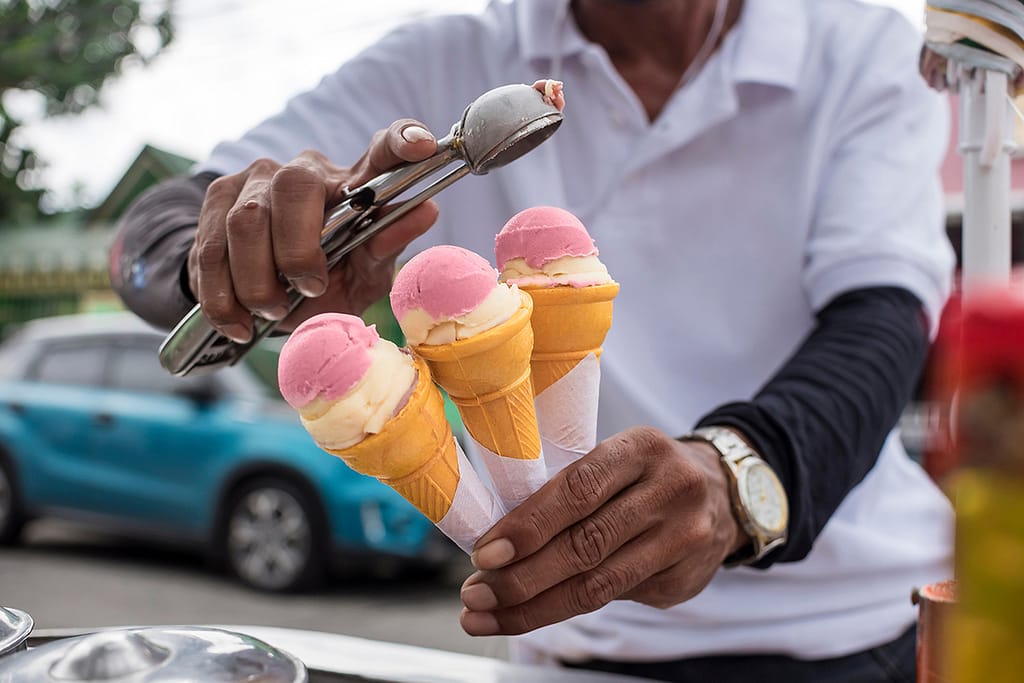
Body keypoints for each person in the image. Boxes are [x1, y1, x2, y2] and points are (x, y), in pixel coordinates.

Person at [110, 0, 956, 680]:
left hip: (850, 632)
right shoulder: (445, 61)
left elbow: (884, 323)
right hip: (575, 643)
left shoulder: (862, 48)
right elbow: (146, 242)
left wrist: (735, 473)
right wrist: (252, 249)